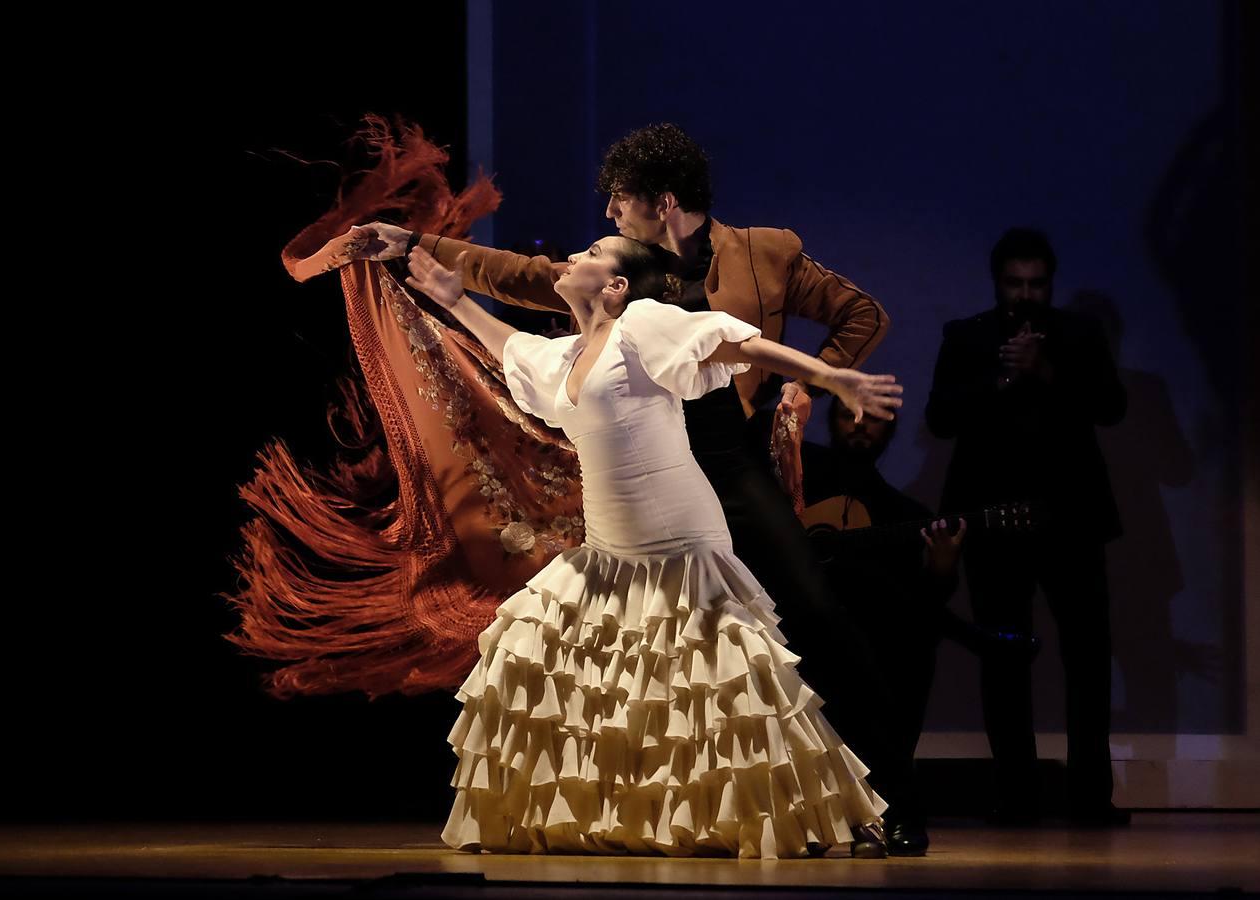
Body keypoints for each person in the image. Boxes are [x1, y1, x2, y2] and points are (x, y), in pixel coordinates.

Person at [352, 122, 923, 854]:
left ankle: (893, 802)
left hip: (726, 462)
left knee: (813, 624)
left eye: (619, 204)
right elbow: (511, 276)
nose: (608, 218)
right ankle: (663, 809)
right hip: (640, 466)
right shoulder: (611, 287)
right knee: (641, 650)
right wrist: (412, 247)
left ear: (662, 202)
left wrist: (810, 386)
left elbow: (854, 315)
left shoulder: (762, 251)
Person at [925, 227, 1129, 827]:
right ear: (997, 282)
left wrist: (1045, 372)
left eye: (1037, 283)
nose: (1026, 293)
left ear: (1051, 282)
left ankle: (1092, 797)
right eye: (1015, 283)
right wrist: (1003, 379)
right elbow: (939, 418)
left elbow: (1111, 408)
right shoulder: (967, 337)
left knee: (1088, 659)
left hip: (1073, 521)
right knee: (1004, 660)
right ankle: (1017, 795)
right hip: (994, 522)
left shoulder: (1079, 336)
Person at [797, 398, 967, 854]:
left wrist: (941, 568)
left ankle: (882, 809)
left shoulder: (903, 511)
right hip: (803, 630)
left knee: (906, 640)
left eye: (873, 419)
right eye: (849, 414)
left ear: (890, 430)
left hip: (872, 638)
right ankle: (812, 812)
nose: (859, 425)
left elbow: (926, 597)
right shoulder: (799, 480)